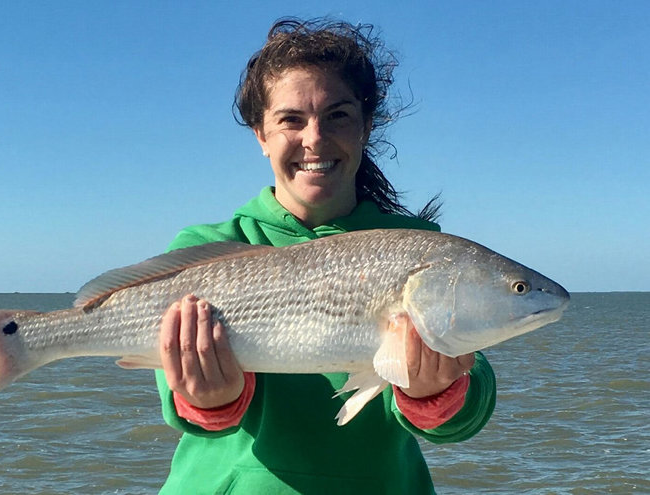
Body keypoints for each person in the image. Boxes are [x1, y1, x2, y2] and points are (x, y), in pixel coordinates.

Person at [154, 17, 496, 494]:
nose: (314, 138)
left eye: (337, 115)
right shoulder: (202, 250)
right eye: (291, 119)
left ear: (366, 124)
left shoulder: (422, 249)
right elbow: (179, 404)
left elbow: (465, 412)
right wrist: (208, 401)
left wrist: (436, 395)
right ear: (260, 133)